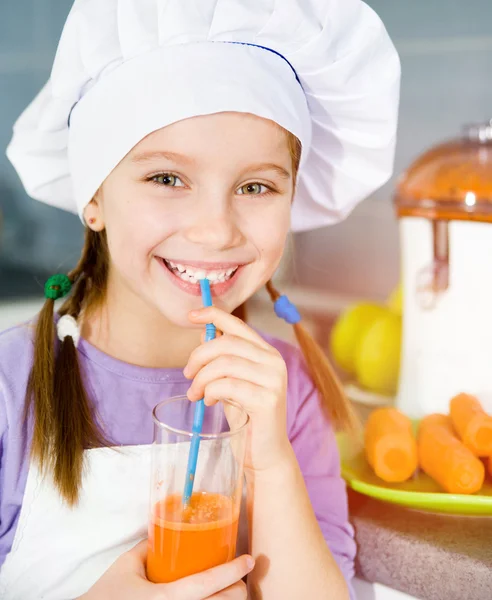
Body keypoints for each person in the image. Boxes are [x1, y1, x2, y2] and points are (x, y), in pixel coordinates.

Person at [0, 0, 400, 598]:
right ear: (95, 196)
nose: (216, 230)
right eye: (167, 178)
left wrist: (269, 459)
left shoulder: (283, 392)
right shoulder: (12, 386)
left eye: (256, 185)